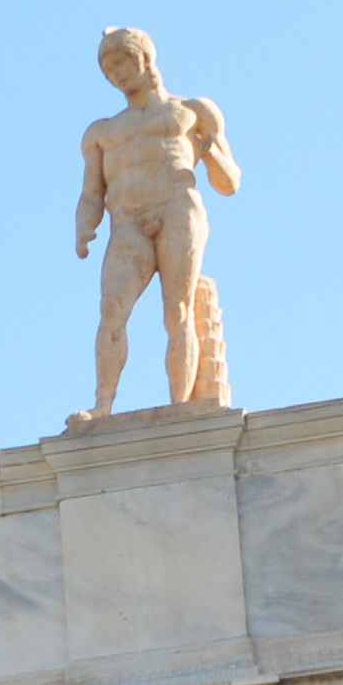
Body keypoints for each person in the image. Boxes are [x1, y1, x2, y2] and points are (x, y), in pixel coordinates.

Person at [71, 26, 243, 421]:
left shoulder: (192, 110)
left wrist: (210, 154)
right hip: (125, 219)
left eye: (120, 63)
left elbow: (230, 182)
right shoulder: (102, 132)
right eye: (108, 69)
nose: (116, 74)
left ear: (144, 59)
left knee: (177, 308)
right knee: (112, 307)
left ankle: (180, 405)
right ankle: (103, 405)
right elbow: (91, 192)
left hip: (177, 205)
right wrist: (84, 225)